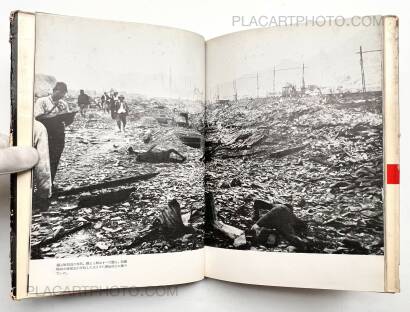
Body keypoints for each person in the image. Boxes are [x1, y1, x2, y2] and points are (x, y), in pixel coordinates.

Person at [34, 81, 74, 183]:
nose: (62, 95)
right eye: (60, 92)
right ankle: (41, 184)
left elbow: (66, 122)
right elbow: (37, 118)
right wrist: (55, 117)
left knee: (55, 158)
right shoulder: (42, 101)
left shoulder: (63, 103)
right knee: (43, 159)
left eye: (64, 93)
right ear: (54, 90)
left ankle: (50, 182)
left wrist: (70, 118)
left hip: (59, 134)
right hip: (45, 133)